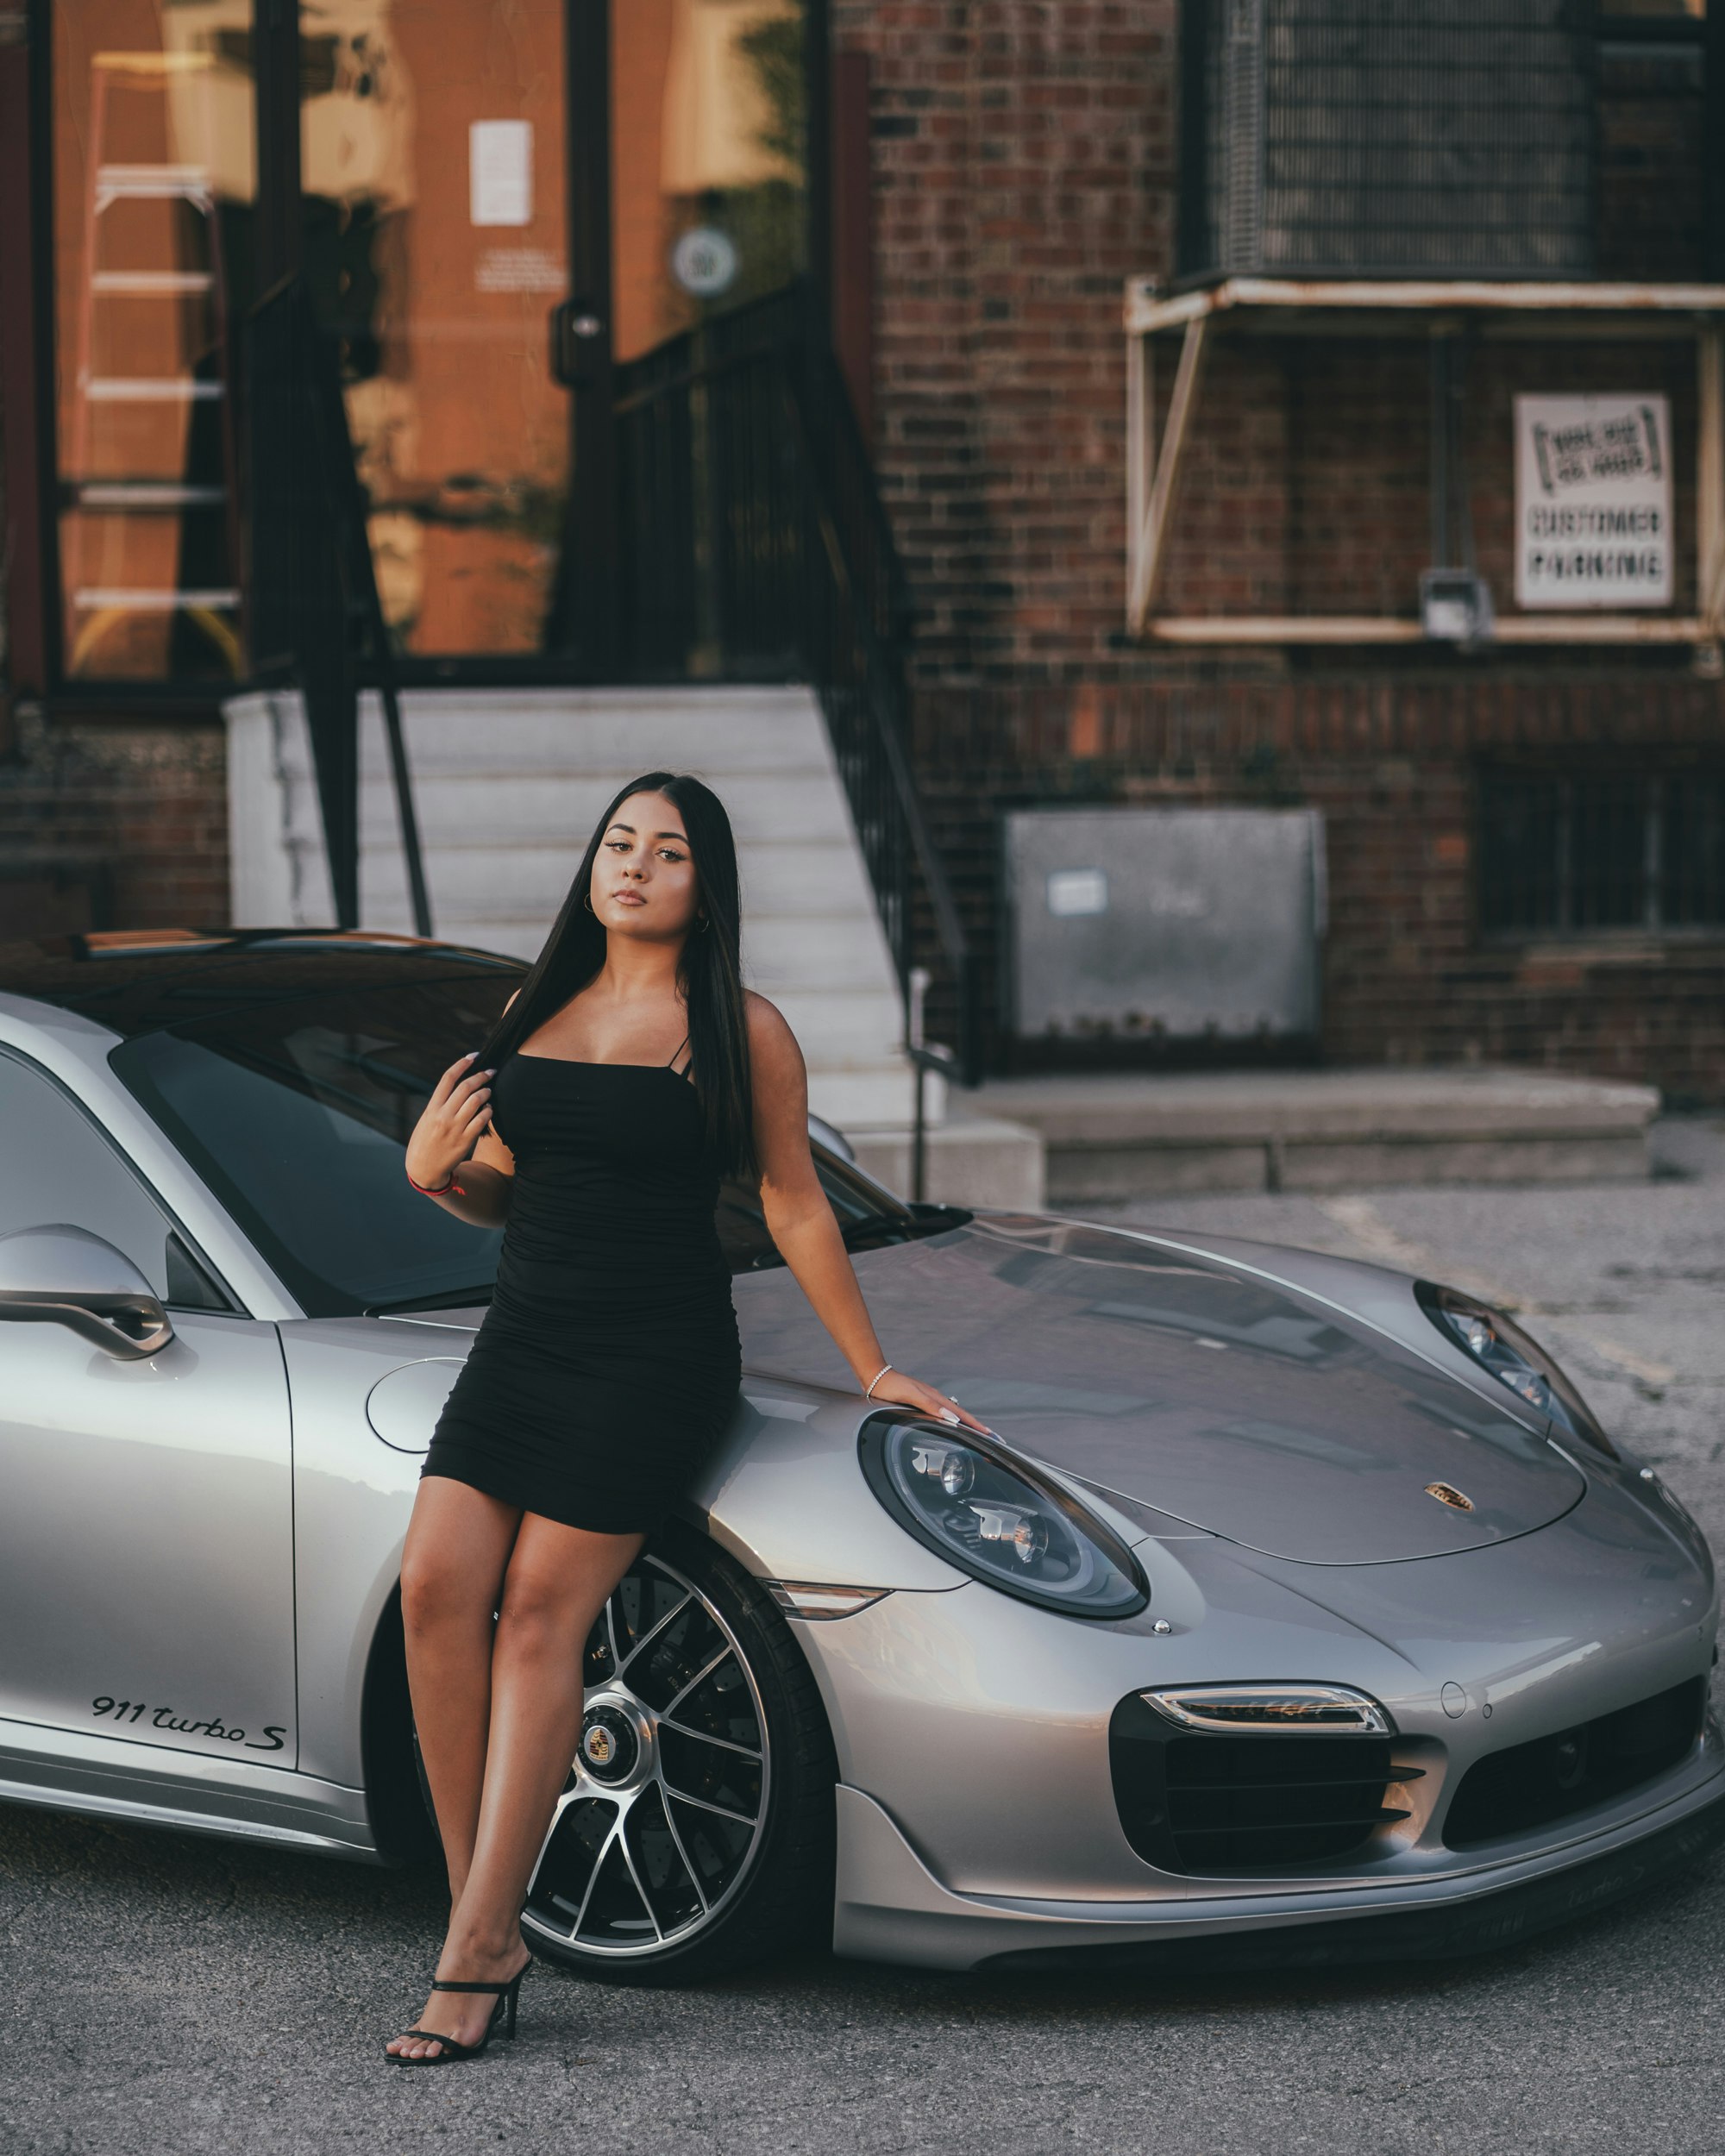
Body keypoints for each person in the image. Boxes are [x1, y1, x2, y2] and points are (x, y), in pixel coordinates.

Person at [383, 770, 982, 2063]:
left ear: (706, 887)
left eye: (668, 852)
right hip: (524, 1343)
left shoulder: (741, 1028)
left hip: (651, 1355)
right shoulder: (531, 1008)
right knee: (437, 1585)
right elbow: (514, 1192)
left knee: (542, 1607)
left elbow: (792, 1200)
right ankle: (479, 1913)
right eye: (618, 842)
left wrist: (872, 1366)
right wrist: (437, 1180)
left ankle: (480, 1944)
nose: (636, 866)